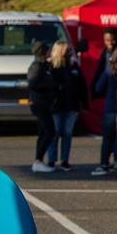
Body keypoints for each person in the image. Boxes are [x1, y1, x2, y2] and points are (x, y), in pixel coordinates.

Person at [46, 41, 88, 171]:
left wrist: (84, 102)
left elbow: (82, 85)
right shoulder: (52, 67)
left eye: (69, 50)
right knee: (55, 133)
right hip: (56, 106)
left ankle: (65, 160)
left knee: (67, 133)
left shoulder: (73, 66)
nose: (69, 52)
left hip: (71, 105)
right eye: (65, 50)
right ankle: (51, 160)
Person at [92, 42, 117, 176]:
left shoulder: (109, 72)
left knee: (107, 138)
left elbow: (98, 88)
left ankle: (103, 163)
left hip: (109, 107)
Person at [27, 40, 57, 173]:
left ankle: (38, 160)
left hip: (44, 102)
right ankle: (38, 160)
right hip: (39, 103)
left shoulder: (44, 66)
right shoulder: (37, 66)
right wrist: (51, 86)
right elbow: (32, 84)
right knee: (50, 132)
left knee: (43, 133)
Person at [90, 26, 117, 100]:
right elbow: (100, 70)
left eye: (113, 40)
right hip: (107, 90)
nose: (110, 43)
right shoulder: (104, 52)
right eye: (107, 40)